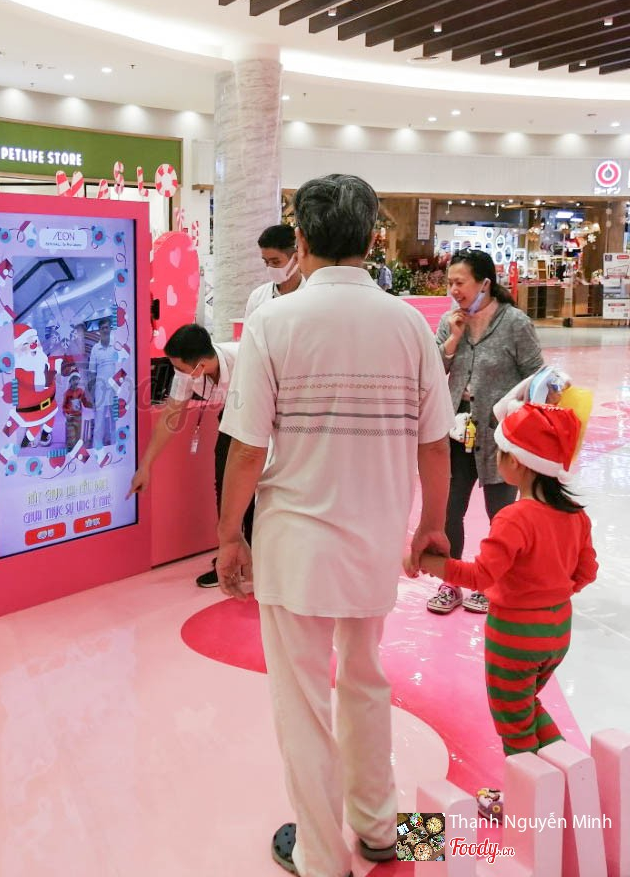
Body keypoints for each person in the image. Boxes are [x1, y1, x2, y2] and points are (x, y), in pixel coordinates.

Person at [215, 174, 454, 877]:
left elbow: (247, 449)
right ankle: (380, 829)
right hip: (376, 540)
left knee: (303, 705)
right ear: (372, 237)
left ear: (301, 238)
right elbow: (436, 443)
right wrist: (432, 526)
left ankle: (322, 856)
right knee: (367, 681)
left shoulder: (275, 322)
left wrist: (229, 535)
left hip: (296, 543)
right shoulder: (409, 324)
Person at [420, 401, 597, 815]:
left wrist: (428, 563)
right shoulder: (575, 517)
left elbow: (481, 576)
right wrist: (550, 592)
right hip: (557, 631)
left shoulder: (515, 518)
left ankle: (525, 806)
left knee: (514, 724)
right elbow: (587, 571)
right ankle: (569, 778)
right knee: (527, 705)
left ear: (515, 462)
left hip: (515, 639)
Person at [428, 248, 544, 616]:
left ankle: (494, 581)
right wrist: (452, 339)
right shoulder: (450, 321)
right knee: (450, 509)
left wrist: (516, 416)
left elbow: (536, 377)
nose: (453, 290)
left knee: (501, 514)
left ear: (484, 284)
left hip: (500, 435)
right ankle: (451, 581)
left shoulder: (515, 323)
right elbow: (432, 370)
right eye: (449, 283)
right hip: (456, 429)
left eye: (459, 282)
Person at [127, 323, 253, 588]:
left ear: (200, 366)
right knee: (224, 482)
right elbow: (171, 418)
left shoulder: (245, 360)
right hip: (231, 416)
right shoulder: (188, 373)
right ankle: (232, 551)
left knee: (255, 486)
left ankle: (250, 557)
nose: (178, 373)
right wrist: (145, 466)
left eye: (181, 368)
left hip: (261, 415)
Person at [243, 224, 306, 319]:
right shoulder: (257, 297)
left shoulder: (310, 292)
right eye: (266, 261)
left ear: (296, 258)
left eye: (276, 262)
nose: (270, 267)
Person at [88, 318, 117, 447]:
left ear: (110, 328)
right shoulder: (95, 349)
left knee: (115, 420)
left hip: (116, 389)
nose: (105, 330)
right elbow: (92, 373)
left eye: (107, 327)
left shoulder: (116, 346)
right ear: (99, 331)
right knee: (99, 421)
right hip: (100, 390)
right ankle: (97, 448)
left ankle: (116, 445)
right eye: (102, 328)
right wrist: (92, 394)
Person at [62, 372, 91, 449]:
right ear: (70, 381)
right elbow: (64, 406)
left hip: (78, 417)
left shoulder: (81, 391)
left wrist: (92, 405)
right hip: (70, 418)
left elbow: (85, 403)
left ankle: (75, 450)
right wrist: (66, 414)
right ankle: (70, 449)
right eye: (74, 379)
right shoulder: (67, 393)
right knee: (71, 437)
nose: (76, 381)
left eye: (77, 379)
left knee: (78, 438)